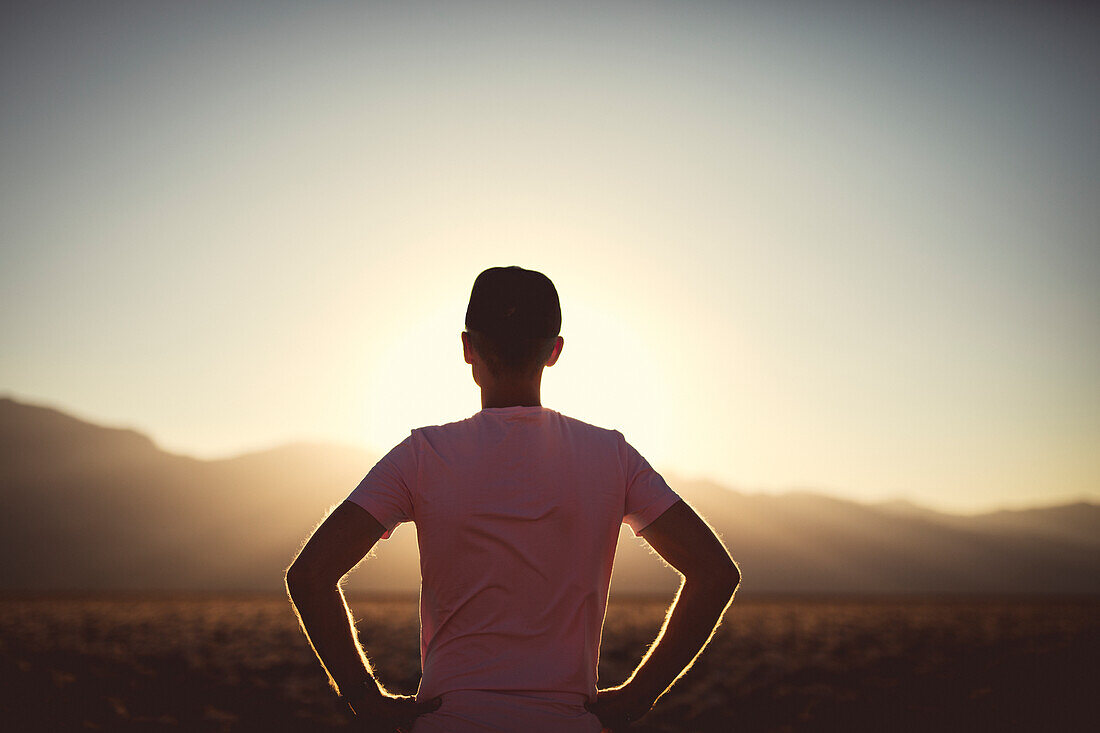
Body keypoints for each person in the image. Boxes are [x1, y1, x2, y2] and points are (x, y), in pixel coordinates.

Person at [286, 266, 740, 732]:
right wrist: (640, 695)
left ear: (467, 348)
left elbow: (310, 575)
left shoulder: (423, 455)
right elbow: (716, 572)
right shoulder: (612, 456)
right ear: (555, 351)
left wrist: (362, 695)